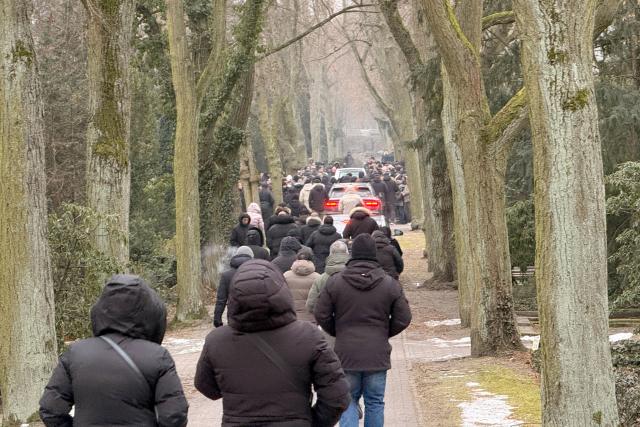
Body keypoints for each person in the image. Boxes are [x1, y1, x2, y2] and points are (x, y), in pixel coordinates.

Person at [194, 260, 351, 426]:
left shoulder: (217, 340)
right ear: (282, 291)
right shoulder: (309, 336)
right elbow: (337, 396)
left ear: (234, 296)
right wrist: (312, 422)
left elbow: (206, 387)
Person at [40, 275, 189, 426]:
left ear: (101, 310)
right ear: (150, 312)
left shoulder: (75, 354)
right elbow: (174, 415)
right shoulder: (158, 357)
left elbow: (51, 409)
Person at [314, 234, 412, 427]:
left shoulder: (335, 282)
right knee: (375, 402)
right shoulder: (389, 284)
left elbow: (321, 313)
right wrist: (383, 331)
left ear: (352, 253)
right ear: (374, 254)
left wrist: (338, 330)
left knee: (348, 400)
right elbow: (404, 317)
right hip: (377, 353)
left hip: (346, 352)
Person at [214, 246, 254, 327]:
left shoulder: (226, 275)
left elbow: (221, 300)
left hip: (233, 315)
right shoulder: (256, 272)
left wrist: (217, 319)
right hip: (253, 315)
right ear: (252, 257)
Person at [306, 240, 350, 314]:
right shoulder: (356, 276)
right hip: (351, 321)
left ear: (330, 254)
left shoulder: (320, 279)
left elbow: (311, 306)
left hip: (327, 321)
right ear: (347, 253)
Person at [284, 251, 320, 323]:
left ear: (296, 260)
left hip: (292, 317)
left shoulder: (286, 276)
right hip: (312, 319)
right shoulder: (318, 277)